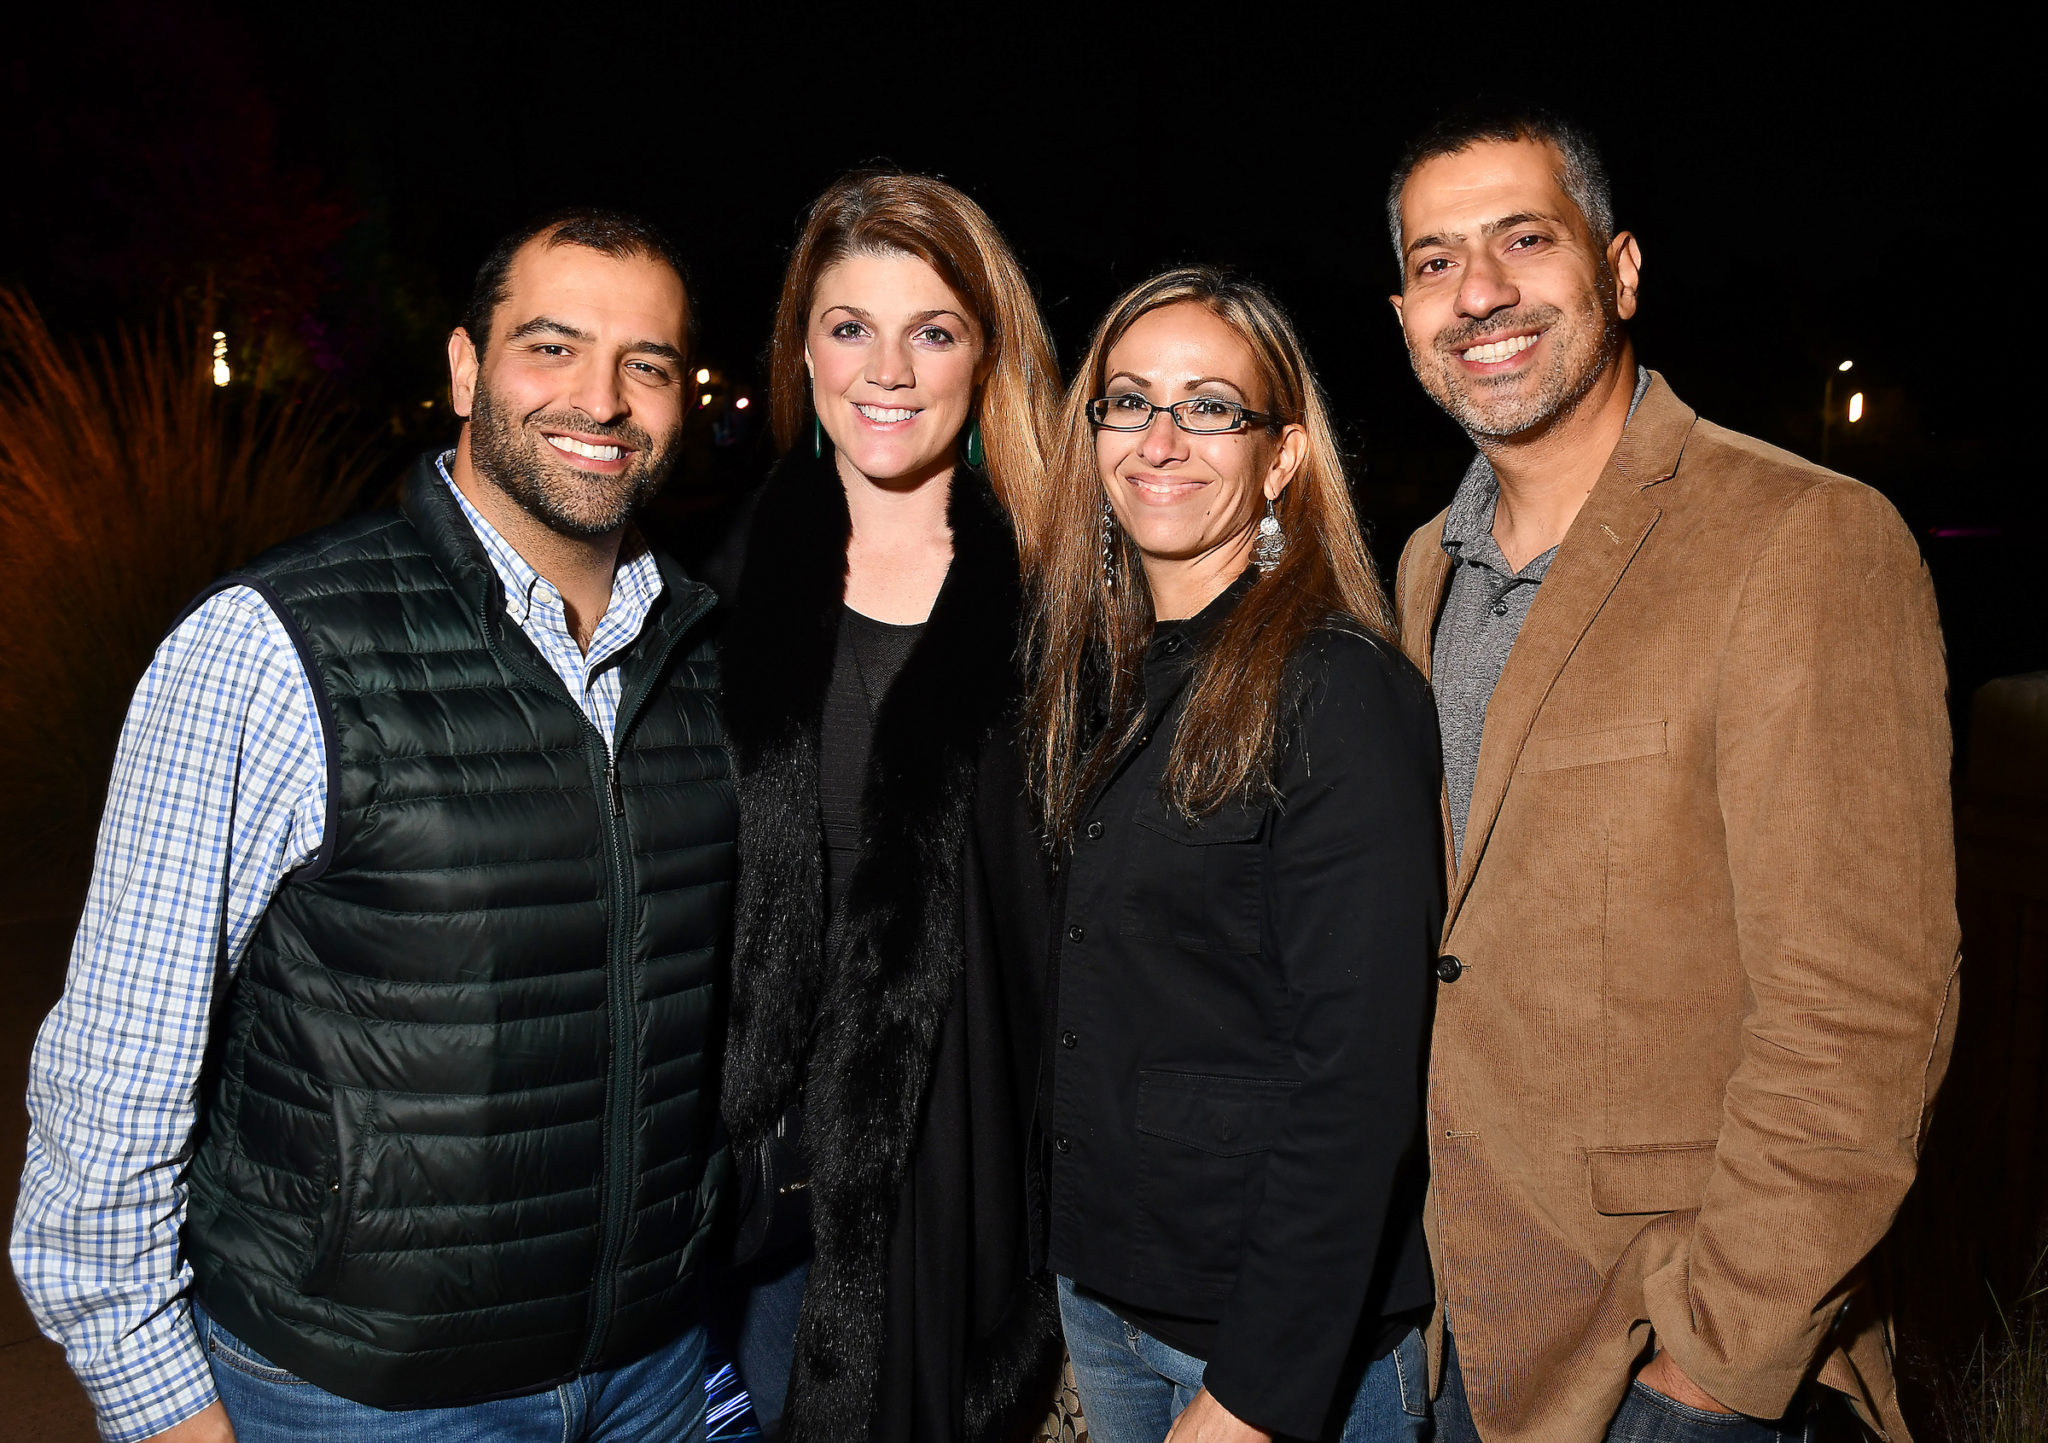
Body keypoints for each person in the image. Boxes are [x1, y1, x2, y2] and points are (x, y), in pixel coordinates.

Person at [10, 210, 734, 1443]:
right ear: (464, 368)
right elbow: (116, 1073)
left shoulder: (707, 654)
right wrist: (158, 1403)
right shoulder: (271, 644)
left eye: (646, 364)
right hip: (357, 1396)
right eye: (551, 347)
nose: (601, 399)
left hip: (653, 1373)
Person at [1384, 108, 1960, 1443]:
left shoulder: (1801, 536)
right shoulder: (1421, 567)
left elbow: (1862, 1006)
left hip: (1668, 1350)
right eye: (1434, 262)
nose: (1479, 292)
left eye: (1525, 240)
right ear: (1403, 315)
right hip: (1454, 1326)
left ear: (1621, 268)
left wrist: (1714, 1370)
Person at [1025, 268, 1442, 1443]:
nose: (1159, 440)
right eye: (1127, 401)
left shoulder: (1334, 686)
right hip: (1104, 1303)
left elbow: (1358, 1076)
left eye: (1209, 407)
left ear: (1281, 457)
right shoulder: (1098, 675)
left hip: (1264, 1348)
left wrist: (1254, 1391)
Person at [710, 170, 1065, 1442]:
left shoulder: (1062, 598)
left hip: (967, 1178)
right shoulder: (716, 592)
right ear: (802, 350)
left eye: (934, 332)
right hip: (753, 1199)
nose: (888, 372)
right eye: (849, 326)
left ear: (986, 356)